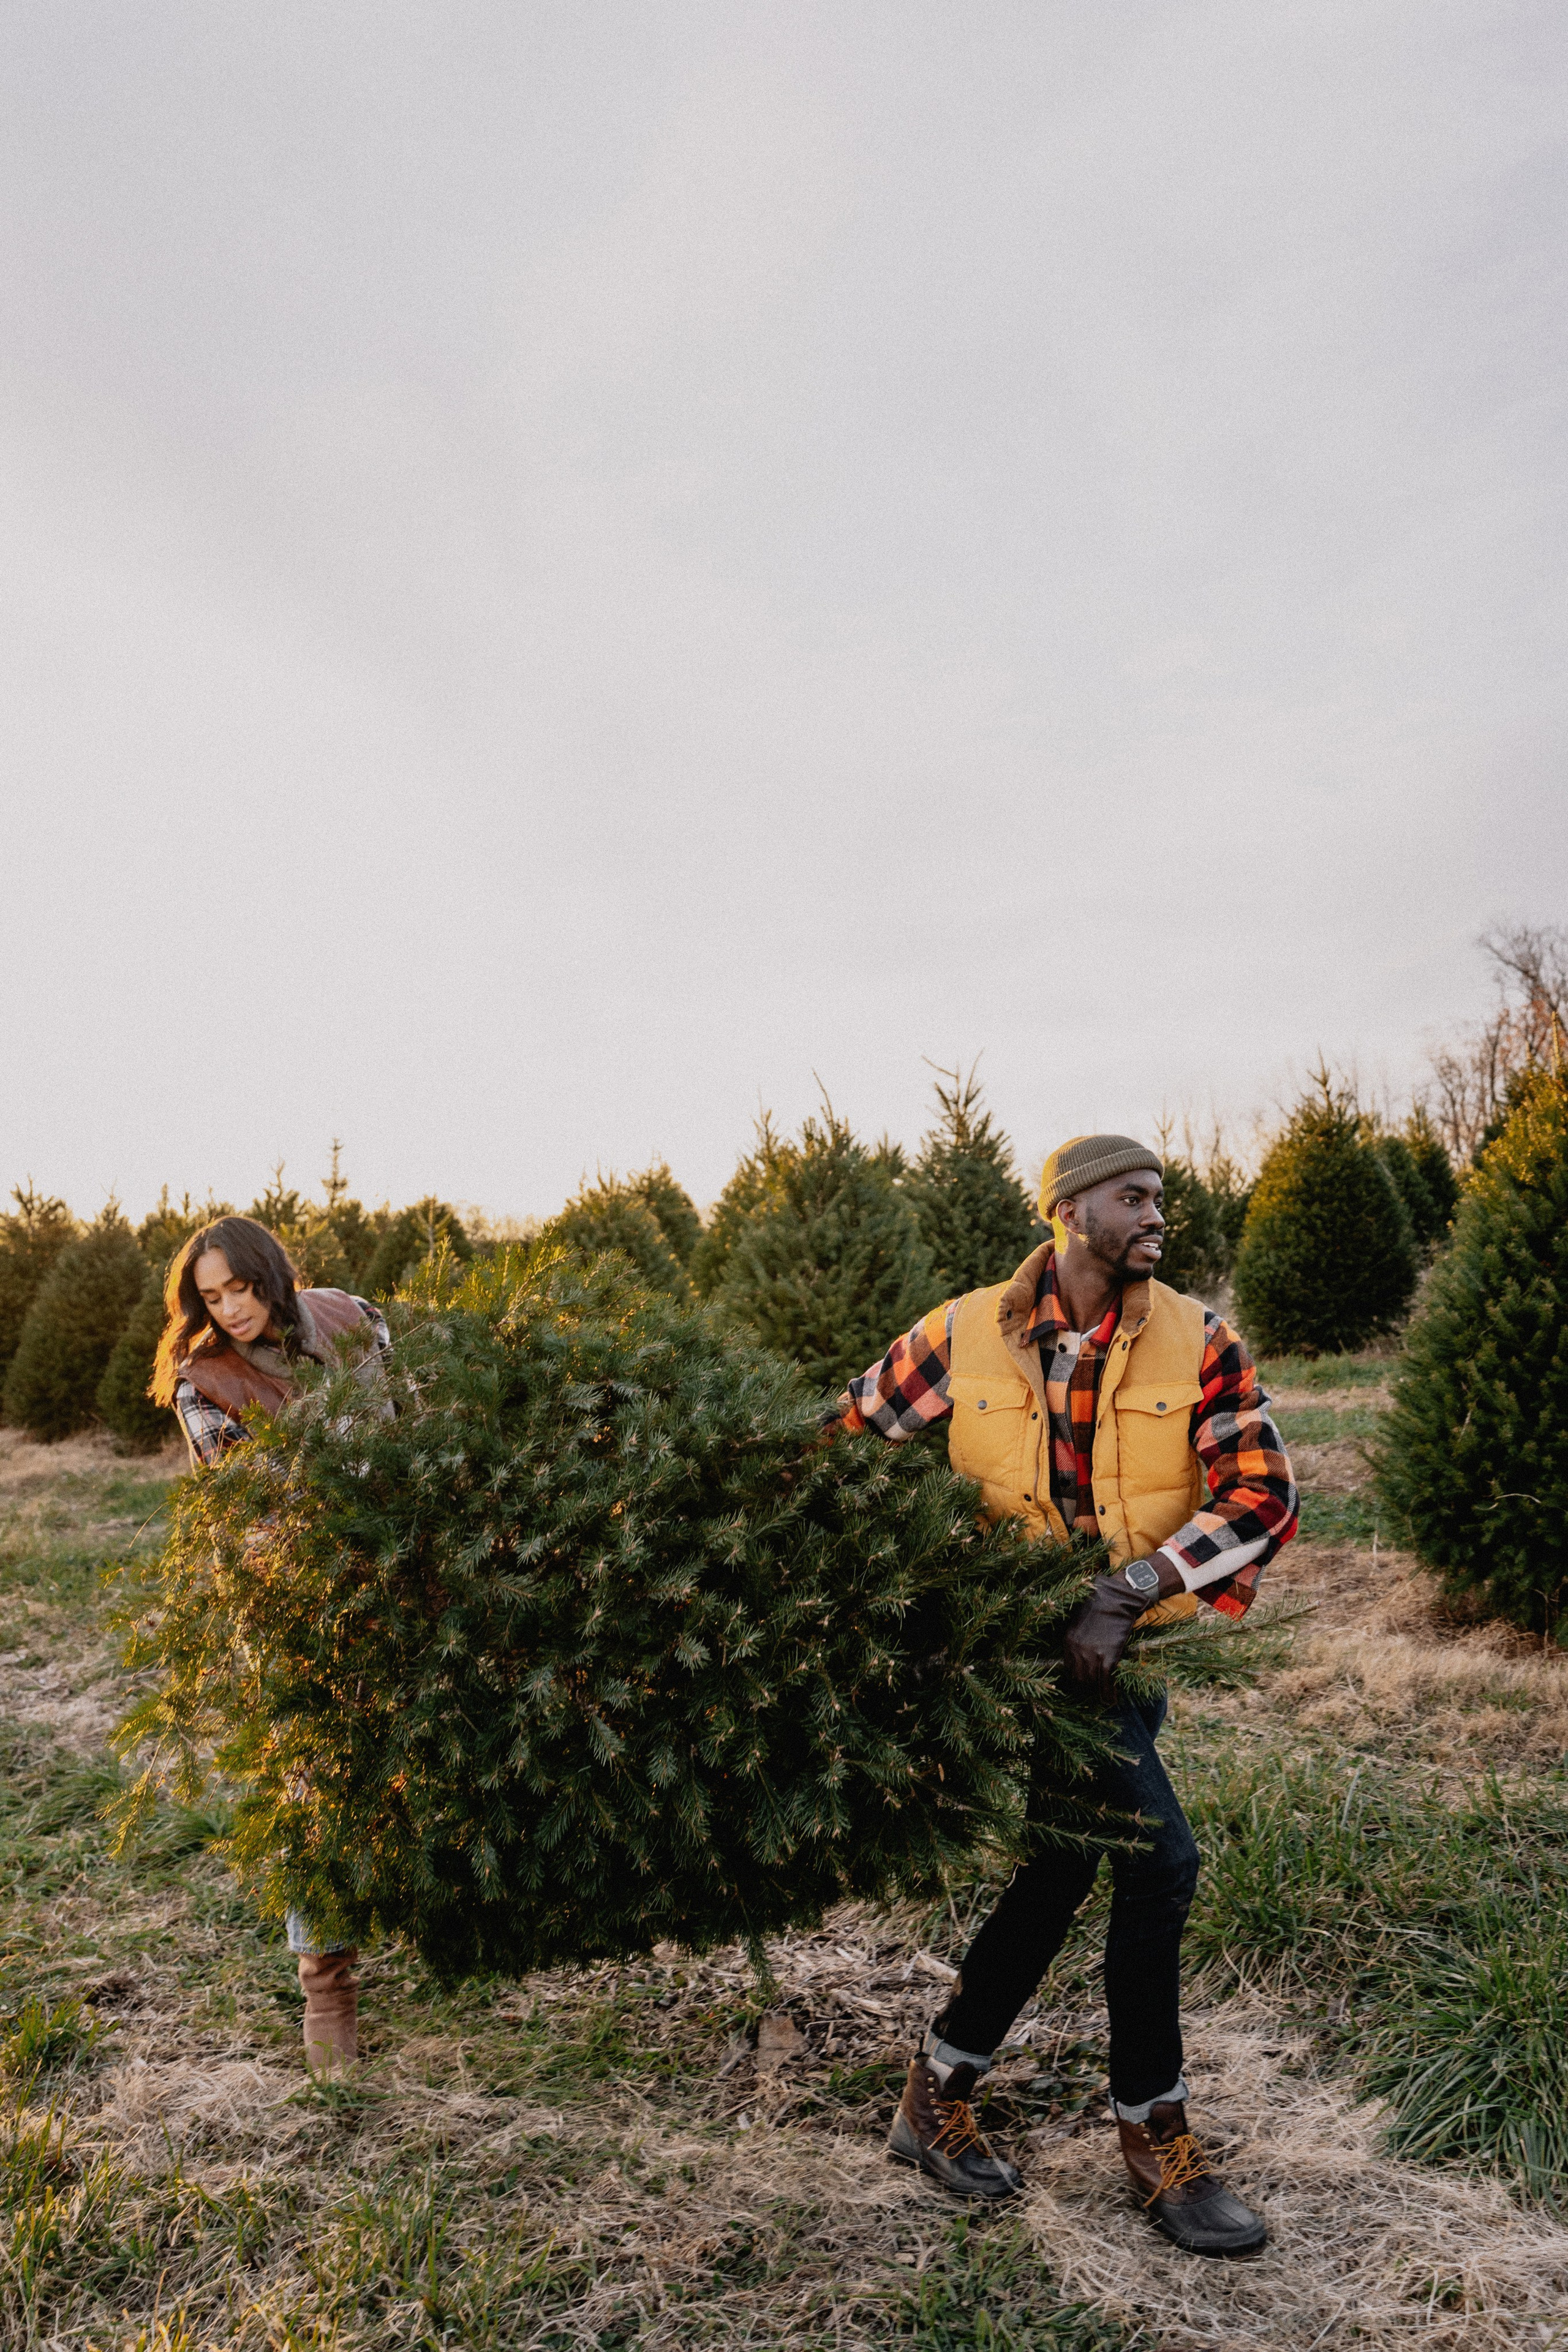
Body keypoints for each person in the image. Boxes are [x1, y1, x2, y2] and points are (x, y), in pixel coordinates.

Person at [831, 1134, 1298, 2258]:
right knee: (1159, 1861)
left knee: (1062, 1863)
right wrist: (915, 1591)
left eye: (1160, 1198)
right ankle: (1154, 2135)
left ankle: (937, 2091)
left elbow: (1266, 1492)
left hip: (1118, 1650)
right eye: (1133, 1197)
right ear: (1068, 1210)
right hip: (1018, 1657)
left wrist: (1131, 1591)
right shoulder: (962, 1334)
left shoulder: (1199, 1337)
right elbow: (843, 1447)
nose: (1157, 1215)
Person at [150, 1215, 391, 2075]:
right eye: (211, 1297)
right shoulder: (205, 1382)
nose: (230, 1309)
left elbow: (414, 1418)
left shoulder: (352, 1317)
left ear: (271, 1275)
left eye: (240, 1288)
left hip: (401, 1573)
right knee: (314, 1785)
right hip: (291, 1597)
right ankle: (328, 1987)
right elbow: (259, 1514)